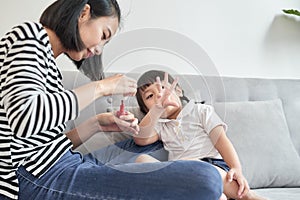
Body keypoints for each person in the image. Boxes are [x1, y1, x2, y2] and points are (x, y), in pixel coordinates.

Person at [0, 0, 223, 199]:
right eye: (104, 36)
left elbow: (48, 145)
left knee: (145, 143)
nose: (98, 50)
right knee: (206, 178)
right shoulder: (29, 35)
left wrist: (98, 123)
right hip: (33, 177)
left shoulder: (50, 67)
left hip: (60, 162)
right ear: (84, 13)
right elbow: (25, 118)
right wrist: (102, 87)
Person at [134, 70, 266, 200]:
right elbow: (141, 139)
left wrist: (236, 168)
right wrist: (156, 110)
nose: (159, 96)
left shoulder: (200, 111)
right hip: (183, 175)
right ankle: (217, 196)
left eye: (163, 88)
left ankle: (248, 196)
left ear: (178, 91)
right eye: (150, 96)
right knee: (142, 160)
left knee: (193, 166)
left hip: (213, 167)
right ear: (146, 110)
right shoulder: (160, 125)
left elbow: (221, 140)